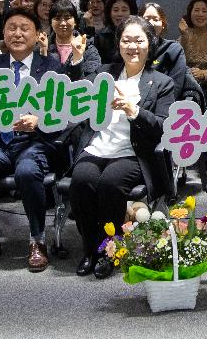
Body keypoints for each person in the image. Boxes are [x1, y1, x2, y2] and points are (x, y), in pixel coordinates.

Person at [0, 8, 87, 273]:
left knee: (28, 171)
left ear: (37, 34)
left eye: (24, 28)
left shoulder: (51, 67)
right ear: (3, 34)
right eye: (11, 28)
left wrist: (39, 120)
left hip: (35, 141)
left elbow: (67, 109)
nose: (17, 33)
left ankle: (37, 240)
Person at [69, 16, 175, 278]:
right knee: (81, 181)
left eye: (139, 40)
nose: (132, 47)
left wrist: (133, 110)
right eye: (126, 40)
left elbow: (163, 126)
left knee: (109, 184)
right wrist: (76, 60)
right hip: (97, 146)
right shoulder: (105, 73)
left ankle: (110, 249)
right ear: (119, 44)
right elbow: (75, 96)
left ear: (150, 44)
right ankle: (90, 248)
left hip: (133, 152)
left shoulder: (162, 82)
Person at [140, 2, 190, 97]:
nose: (151, 23)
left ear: (163, 24)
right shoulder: (131, 49)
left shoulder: (173, 49)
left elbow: (175, 87)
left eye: (156, 19)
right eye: (146, 19)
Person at [47, 1, 100, 79]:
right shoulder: (44, 47)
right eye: (57, 18)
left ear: (75, 21)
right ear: (51, 22)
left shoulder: (88, 49)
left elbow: (91, 82)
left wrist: (77, 59)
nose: (63, 23)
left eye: (67, 18)